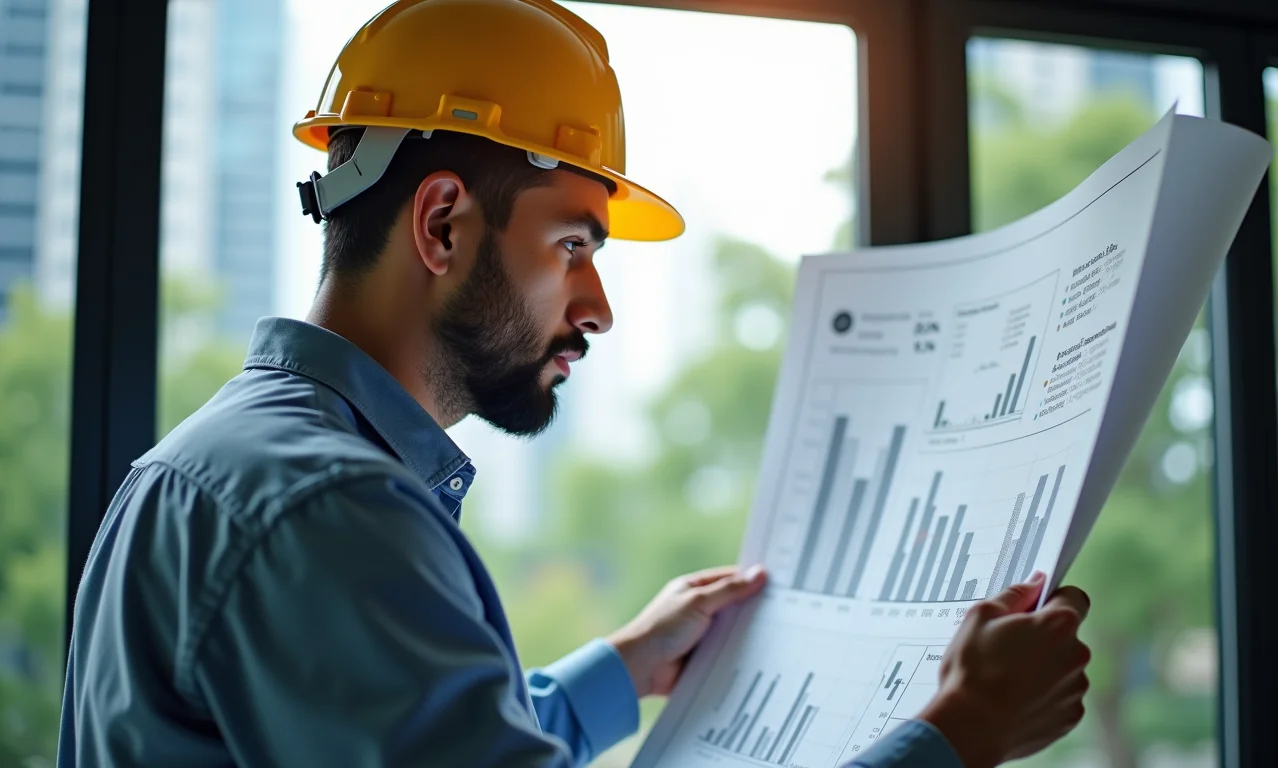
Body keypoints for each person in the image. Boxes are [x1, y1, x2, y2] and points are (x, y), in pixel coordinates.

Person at [57, 1, 1091, 766]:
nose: (596, 308)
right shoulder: (329, 510)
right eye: (572, 245)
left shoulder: (239, 464)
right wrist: (961, 733)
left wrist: (624, 667)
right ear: (441, 224)